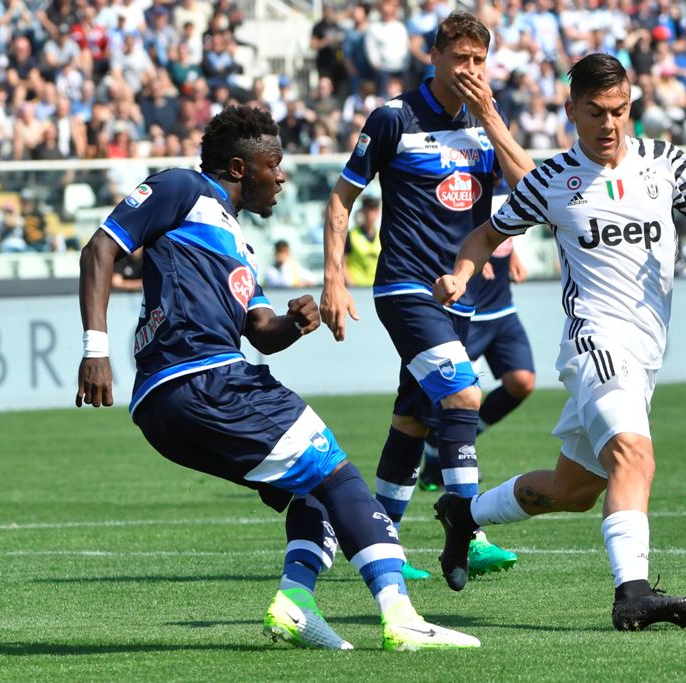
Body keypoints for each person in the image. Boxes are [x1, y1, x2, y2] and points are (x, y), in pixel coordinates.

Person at [75, 105, 479, 652]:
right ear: (240, 169)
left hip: (171, 404)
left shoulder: (237, 243)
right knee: (338, 475)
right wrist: (95, 349)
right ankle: (401, 616)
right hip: (201, 378)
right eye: (275, 165)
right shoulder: (180, 188)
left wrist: (294, 322)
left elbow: (261, 331)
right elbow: (100, 247)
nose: (283, 177)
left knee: (312, 488)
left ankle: (296, 605)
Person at [432, 54, 686, 629]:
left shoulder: (667, 162)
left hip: (645, 355)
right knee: (635, 457)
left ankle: (462, 512)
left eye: (620, 111)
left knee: (573, 491)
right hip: (595, 345)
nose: (609, 125)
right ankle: (634, 593)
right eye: (596, 112)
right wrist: (461, 275)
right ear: (572, 110)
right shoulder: (552, 181)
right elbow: (485, 234)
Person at [319, 10, 535, 582]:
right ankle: (464, 530)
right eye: (459, 58)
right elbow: (341, 199)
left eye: (478, 60)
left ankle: (378, 543)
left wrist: (490, 114)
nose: (469, 70)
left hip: (458, 296)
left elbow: (531, 191)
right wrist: (334, 280)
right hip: (404, 286)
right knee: (463, 399)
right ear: (433, 57)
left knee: (411, 422)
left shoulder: (486, 119)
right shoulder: (394, 118)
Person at [419, 238, 535, 492]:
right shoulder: (469, 196)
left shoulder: (506, 195)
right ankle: (436, 462)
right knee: (457, 396)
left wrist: (511, 254)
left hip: (502, 308)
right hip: (467, 310)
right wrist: (471, 258)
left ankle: (446, 444)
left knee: (522, 382)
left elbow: (504, 225)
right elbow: (455, 223)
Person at [344, 195, 381, 287]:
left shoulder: (382, 236)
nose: (371, 215)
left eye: (374, 210)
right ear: (363, 211)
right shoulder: (351, 235)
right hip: (356, 288)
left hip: (375, 288)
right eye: (368, 210)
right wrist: (351, 284)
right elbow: (342, 263)